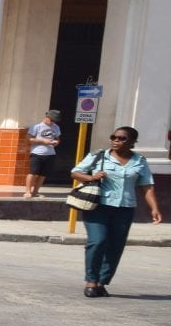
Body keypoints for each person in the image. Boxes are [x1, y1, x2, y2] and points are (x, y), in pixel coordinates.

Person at [71, 126, 161, 297]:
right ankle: (91, 280)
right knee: (97, 241)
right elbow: (75, 172)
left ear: (133, 142)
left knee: (115, 246)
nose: (116, 140)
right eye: (114, 137)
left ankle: (101, 282)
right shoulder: (98, 156)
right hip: (97, 206)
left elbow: (147, 186)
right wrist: (91, 177)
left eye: (122, 138)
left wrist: (154, 208)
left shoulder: (140, 161)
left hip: (124, 208)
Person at [24, 108, 61, 198]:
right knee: (33, 172)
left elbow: (58, 138)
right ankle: (28, 191)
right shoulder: (36, 126)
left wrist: (56, 142)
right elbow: (28, 139)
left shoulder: (56, 127)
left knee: (43, 174)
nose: (52, 122)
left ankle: (35, 192)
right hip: (37, 153)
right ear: (47, 117)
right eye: (51, 120)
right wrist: (43, 141)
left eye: (54, 121)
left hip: (50, 153)